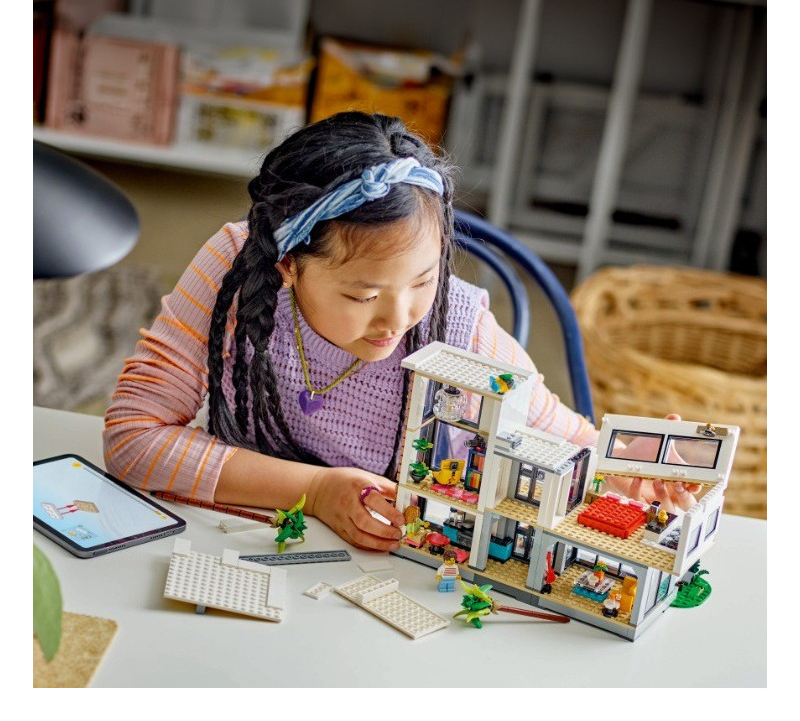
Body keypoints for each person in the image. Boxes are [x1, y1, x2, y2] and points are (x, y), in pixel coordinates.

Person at [103, 111, 692, 553]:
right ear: (288, 266)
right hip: (242, 537)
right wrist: (317, 491)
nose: (398, 318)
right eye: (363, 296)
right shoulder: (236, 266)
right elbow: (133, 438)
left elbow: (565, 439)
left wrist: (624, 468)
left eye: (424, 280)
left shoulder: (457, 325)